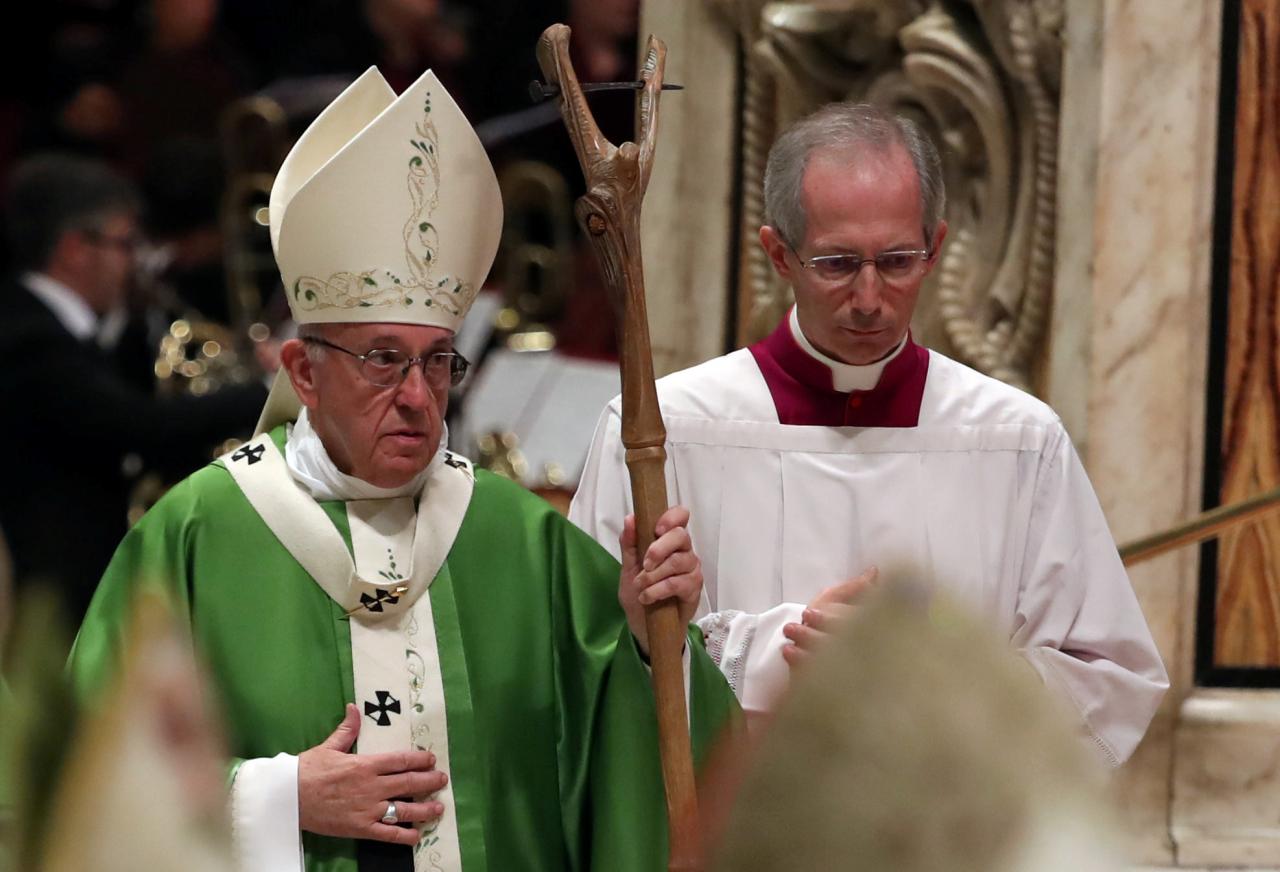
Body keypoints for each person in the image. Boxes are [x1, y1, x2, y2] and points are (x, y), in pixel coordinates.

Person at [70, 68, 736, 872]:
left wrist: (646, 641)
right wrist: (277, 801)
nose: (419, 397)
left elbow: (652, 773)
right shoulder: (198, 535)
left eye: (437, 362)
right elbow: (77, 786)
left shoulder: (523, 543)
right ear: (304, 373)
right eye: (383, 360)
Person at [570, 102, 1167, 766]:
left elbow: (1110, 678)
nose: (868, 297)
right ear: (778, 254)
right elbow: (579, 659)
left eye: (898, 261)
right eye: (837, 264)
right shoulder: (662, 431)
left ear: (936, 248)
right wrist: (773, 656)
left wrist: (941, 673)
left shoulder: (1016, 440)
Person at [0, 154, 267, 623]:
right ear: (75, 249)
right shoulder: (28, 337)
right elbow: (139, 425)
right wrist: (266, 387)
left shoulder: (61, 329)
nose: (135, 261)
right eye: (125, 244)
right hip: (58, 596)